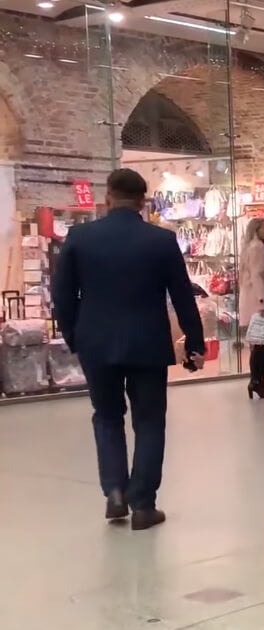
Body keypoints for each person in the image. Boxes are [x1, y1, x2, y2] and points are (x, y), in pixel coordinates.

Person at [52, 168, 206, 531]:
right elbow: (183, 296)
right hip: (148, 343)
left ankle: (115, 492)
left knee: (107, 417)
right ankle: (143, 504)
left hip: (96, 342)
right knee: (149, 421)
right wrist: (195, 343)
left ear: (107, 196)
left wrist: (75, 336)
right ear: (143, 201)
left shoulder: (80, 238)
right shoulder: (160, 241)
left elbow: (62, 297)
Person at [239, 217, 264, 399]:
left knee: (262, 342)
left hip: (256, 298)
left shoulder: (252, 247)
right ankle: (256, 381)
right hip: (259, 299)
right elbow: (257, 275)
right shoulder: (257, 248)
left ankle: (258, 382)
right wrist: (263, 301)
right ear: (257, 230)